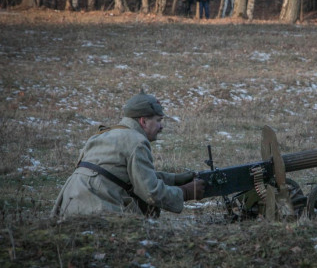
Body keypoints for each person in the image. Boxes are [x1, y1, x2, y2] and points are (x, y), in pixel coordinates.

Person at [51, 91, 205, 219]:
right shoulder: (137, 142)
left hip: (69, 206)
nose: (161, 126)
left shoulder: (103, 134)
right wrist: (186, 192)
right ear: (143, 121)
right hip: (96, 211)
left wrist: (174, 180)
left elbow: (124, 175)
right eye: (158, 120)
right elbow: (151, 192)